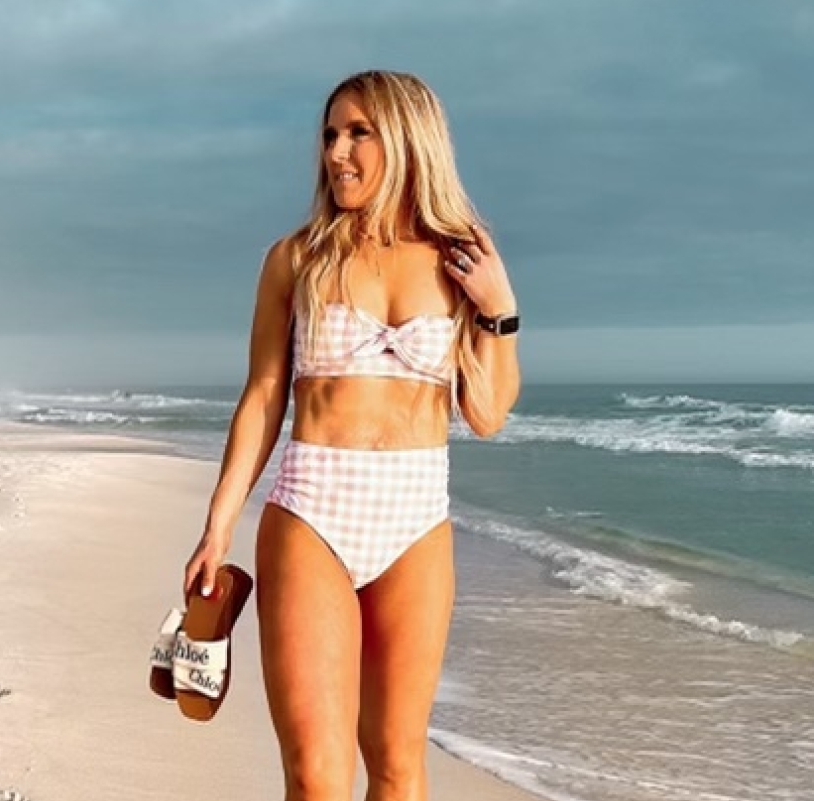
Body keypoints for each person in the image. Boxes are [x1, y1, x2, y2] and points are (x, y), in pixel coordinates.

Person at [184, 69, 521, 801]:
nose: (337, 152)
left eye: (358, 133)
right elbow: (265, 394)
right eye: (331, 134)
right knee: (317, 775)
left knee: (399, 767)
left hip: (416, 520)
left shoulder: (462, 259)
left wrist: (500, 310)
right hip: (313, 510)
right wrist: (217, 528)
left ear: (406, 139)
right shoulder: (297, 258)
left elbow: (489, 414)